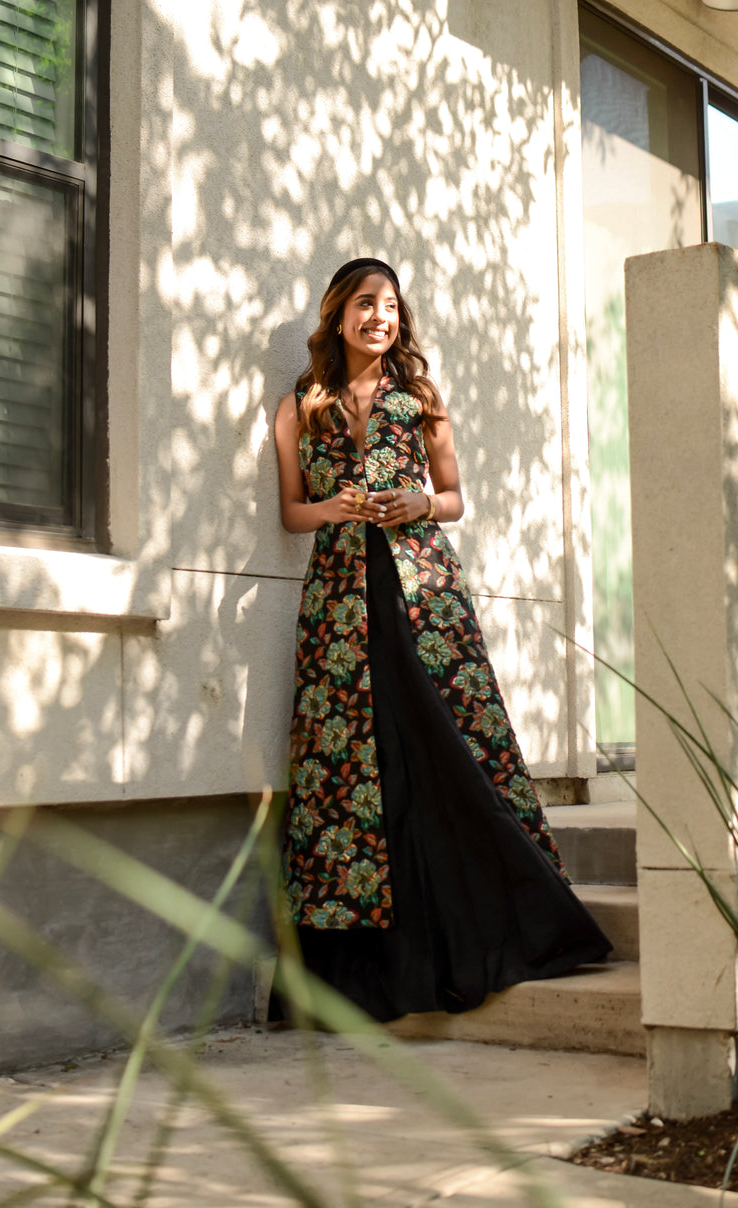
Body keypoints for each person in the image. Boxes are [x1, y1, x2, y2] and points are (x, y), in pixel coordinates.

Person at [273, 256, 611, 1022]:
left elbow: (455, 498)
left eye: (390, 306)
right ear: (337, 314)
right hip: (339, 607)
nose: (379, 318)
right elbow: (292, 512)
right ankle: (366, 970)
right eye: (365, 304)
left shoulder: (420, 397)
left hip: (426, 594)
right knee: (354, 765)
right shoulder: (300, 404)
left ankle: (512, 915)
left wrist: (414, 502)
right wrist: (337, 510)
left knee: (449, 744)